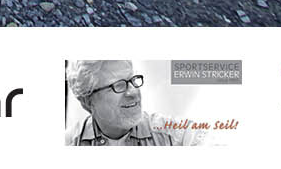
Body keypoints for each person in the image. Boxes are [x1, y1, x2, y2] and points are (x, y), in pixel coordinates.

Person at [64, 61, 202, 147]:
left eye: (132, 80)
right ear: (87, 102)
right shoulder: (68, 143)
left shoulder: (172, 134)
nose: (133, 92)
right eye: (118, 85)